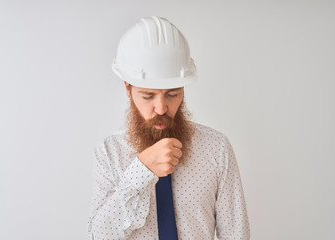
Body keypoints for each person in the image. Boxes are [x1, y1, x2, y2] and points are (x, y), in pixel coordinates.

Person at [88, 16, 250, 239]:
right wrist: (142, 170)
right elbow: (99, 235)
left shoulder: (217, 148)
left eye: (173, 94)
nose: (161, 108)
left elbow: (236, 235)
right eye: (148, 95)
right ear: (128, 88)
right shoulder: (109, 152)